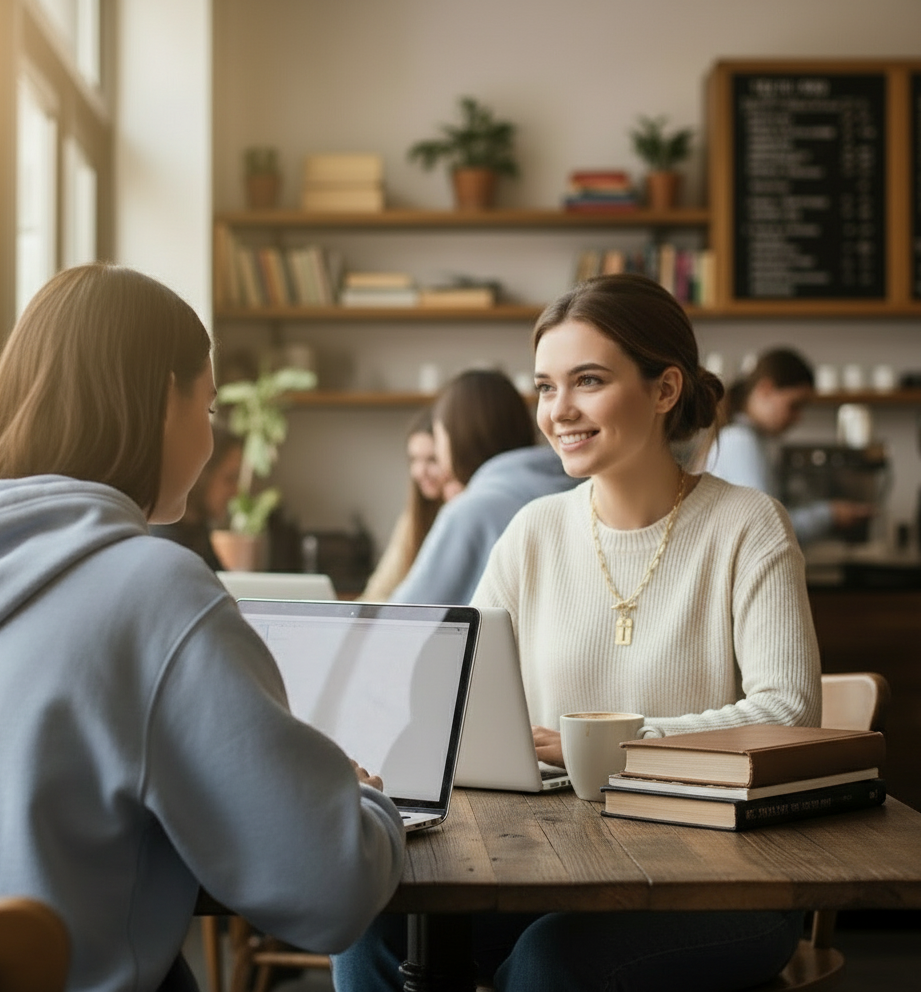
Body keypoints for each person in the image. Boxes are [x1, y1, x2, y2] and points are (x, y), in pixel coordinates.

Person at [0, 264, 404, 992]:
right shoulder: (155, 590)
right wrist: (362, 799)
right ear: (160, 401)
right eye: (208, 408)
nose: (212, 441)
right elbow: (329, 891)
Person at [334, 274, 820, 992]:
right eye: (545, 387)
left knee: (554, 962)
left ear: (664, 390)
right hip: (555, 866)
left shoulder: (749, 526)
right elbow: (452, 694)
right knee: (370, 935)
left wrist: (607, 747)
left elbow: (788, 715)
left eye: (587, 381)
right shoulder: (534, 531)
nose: (559, 411)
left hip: (726, 877)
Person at [389, 369, 579, 606]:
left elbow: (404, 615)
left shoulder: (471, 511)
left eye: (440, 436)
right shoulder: (581, 488)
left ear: (456, 437)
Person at [707, 347, 874, 543]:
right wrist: (830, 514)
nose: (798, 418)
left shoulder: (748, 440)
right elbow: (766, 527)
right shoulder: (740, 441)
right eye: (794, 405)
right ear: (765, 389)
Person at [359, 409, 445, 601]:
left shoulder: (462, 516)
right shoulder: (412, 519)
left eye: (432, 460)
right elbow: (379, 590)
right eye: (414, 460)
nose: (420, 471)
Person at [149, 421, 243, 570]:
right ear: (201, 474)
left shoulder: (197, 530)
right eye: (229, 478)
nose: (236, 491)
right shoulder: (164, 544)